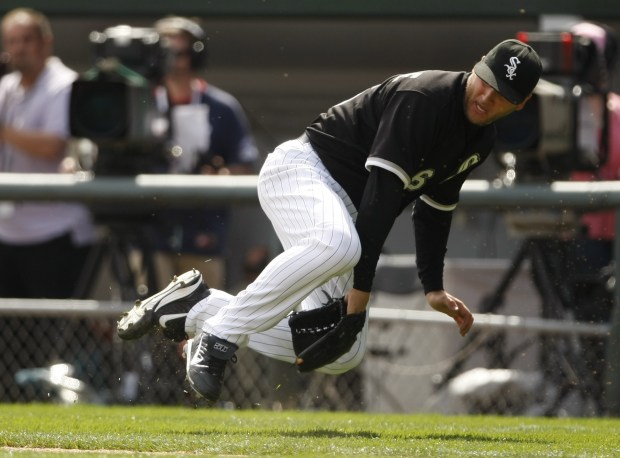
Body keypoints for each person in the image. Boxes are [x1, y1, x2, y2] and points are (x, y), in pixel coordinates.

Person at [118, 38, 543, 405]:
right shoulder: (426, 97)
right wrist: (359, 296)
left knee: (344, 353)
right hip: (303, 172)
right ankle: (217, 336)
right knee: (340, 247)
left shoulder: (481, 139)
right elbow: (380, 200)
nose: (488, 95)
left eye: (503, 93)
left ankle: (197, 307)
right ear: (475, 68)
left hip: (344, 214)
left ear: (520, 103)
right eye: (486, 79)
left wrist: (432, 286)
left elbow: (435, 208)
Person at [0, 8, 97, 401]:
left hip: (55, 231)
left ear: (45, 43)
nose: (18, 49)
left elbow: (52, 144)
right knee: (7, 333)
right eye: (12, 42)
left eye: (26, 40)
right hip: (9, 229)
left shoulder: (65, 83)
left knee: (47, 334)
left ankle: (50, 400)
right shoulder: (6, 87)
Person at [150, 16, 259, 291]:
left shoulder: (222, 107)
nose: (175, 61)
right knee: (147, 317)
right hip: (150, 229)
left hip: (203, 230)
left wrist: (218, 174)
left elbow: (243, 163)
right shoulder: (143, 102)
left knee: (203, 317)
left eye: (181, 52)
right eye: (167, 53)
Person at [568, 21, 619, 408]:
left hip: (610, 241)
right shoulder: (556, 108)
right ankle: (585, 396)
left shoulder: (616, 113)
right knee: (576, 318)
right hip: (570, 236)